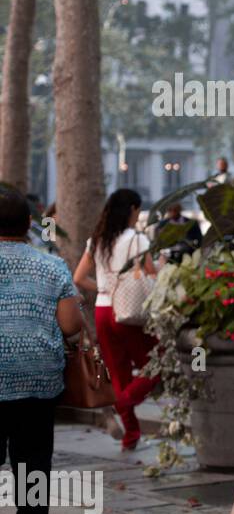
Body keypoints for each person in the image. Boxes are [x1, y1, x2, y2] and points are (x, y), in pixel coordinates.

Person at [0, 185, 84, 514]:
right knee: (32, 458)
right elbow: (70, 325)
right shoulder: (51, 265)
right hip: (36, 376)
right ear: (29, 224)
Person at [72, 189, 159, 450]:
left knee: (120, 375)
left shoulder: (96, 239)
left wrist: (104, 288)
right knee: (157, 364)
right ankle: (127, 400)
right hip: (129, 312)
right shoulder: (136, 240)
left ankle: (131, 436)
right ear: (132, 209)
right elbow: (151, 275)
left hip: (102, 310)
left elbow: (78, 278)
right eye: (138, 210)